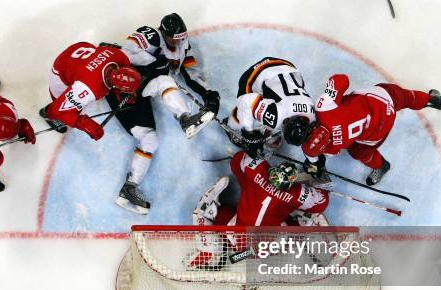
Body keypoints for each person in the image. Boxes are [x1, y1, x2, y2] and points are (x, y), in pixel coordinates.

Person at [113, 12, 221, 214]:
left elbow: (189, 73)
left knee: (151, 139)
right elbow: (122, 57)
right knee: (164, 83)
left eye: (181, 38)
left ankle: (129, 188)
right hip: (122, 88)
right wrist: (152, 62)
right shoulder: (150, 35)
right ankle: (186, 120)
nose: (177, 42)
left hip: (143, 90)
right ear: (164, 32)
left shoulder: (183, 44)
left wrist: (208, 93)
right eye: (174, 38)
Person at [188, 150, 330, 269]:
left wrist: (248, 178)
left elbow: (237, 161)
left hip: (240, 241)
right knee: (289, 231)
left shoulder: (259, 171)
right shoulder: (296, 193)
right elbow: (322, 202)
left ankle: (211, 251)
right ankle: (303, 225)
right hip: (261, 249)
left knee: (214, 212)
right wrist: (315, 185)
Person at [299, 74, 441, 185]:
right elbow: (341, 79)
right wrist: (330, 88)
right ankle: (432, 100)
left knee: (359, 151)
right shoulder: (324, 106)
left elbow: (315, 155)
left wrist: (314, 165)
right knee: (406, 97)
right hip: (381, 98)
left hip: (378, 129)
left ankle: (381, 166)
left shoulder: (331, 149)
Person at [40, 41, 142, 141]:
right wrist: (84, 123)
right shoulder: (88, 88)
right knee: (66, 109)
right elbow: (57, 110)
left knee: (81, 86)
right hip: (60, 69)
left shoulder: (121, 57)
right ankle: (47, 115)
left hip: (80, 48)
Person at [225, 56, 316, 159]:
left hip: (290, 69)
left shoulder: (313, 113)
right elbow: (246, 101)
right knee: (243, 113)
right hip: (260, 71)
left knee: (271, 115)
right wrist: (248, 134)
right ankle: (232, 122)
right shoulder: (277, 116)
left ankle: (264, 123)